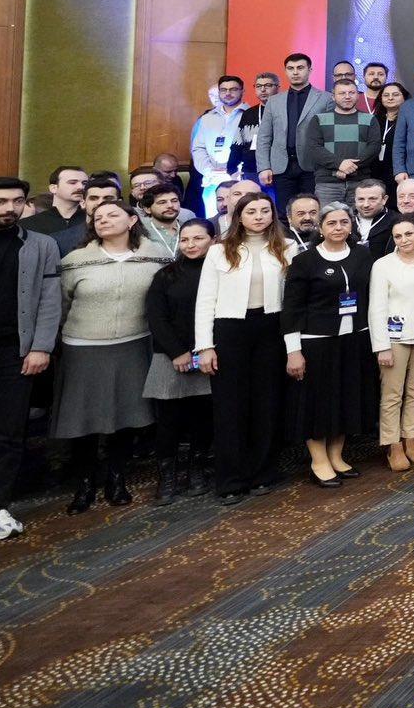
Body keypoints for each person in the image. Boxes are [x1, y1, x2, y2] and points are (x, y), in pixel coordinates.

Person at [52, 199, 171, 512]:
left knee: (126, 416)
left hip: (134, 345)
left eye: (112, 215)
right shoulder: (76, 260)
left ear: (131, 221)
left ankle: (117, 478)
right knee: (83, 419)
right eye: (97, 217)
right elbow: (61, 304)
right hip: (83, 348)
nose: (103, 220)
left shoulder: (156, 256)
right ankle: (84, 483)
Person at [0, 178, 61, 540]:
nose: (10, 208)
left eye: (17, 201)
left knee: (7, 433)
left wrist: (41, 347)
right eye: (1, 201)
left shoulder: (42, 245)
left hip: (15, 354)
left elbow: (50, 300)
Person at [196, 190, 295, 502]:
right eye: (251, 211)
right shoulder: (219, 251)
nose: (259, 217)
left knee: (267, 403)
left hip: (272, 328)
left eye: (265, 211)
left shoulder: (287, 247)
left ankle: (263, 473)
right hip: (230, 330)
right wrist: (205, 346)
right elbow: (205, 300)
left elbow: (292, 299)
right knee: (230, 406)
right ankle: (231, 480)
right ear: (238, 216)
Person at [280, 202, 376, 486]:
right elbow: (292, 309)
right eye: (331, 223)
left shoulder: (362, 254)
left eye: (344, 222)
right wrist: (293, 351)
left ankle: (336, 456)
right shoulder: (305, 261)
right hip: (316, 342)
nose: (338, 228)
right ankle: (318, 460)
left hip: (354, 338)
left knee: (346, 398)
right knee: (317, 403)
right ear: (320, 228)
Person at [143, 220, 216, 502]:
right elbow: (156, 317)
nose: (191, 245)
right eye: (185, 240)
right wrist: (177, 352)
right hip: (171, 357)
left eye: (198, 238)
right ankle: (167, 476)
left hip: (209, 355)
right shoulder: (166, 275)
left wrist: (205, 349)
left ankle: (197, 469)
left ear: (212, 240)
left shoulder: (220, 272)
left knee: (203, 418)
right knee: (168, 420)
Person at [369, 214, 414, 470]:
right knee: (392, 394)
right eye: (398, 236)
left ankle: (411, 441)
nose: (404, 240)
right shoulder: (383, 265)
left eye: (408, 234)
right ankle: (393, 445)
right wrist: (382, 346)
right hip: (394, 337)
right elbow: (376, 307)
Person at [254, 53, 333, 209]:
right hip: (281, 166)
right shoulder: (274, 101)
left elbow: (330, 136)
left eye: (300, 68)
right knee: (283, 213)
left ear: (310, 70)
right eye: (290, 68)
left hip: (313, 167)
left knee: (312, 211)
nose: (295, 72)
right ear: (285, 71)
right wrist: (263, 167)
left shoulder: (326, 98)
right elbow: (264, 137)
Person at [300, 76, 380, 207]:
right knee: (327, 218)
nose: (347, 97)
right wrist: (340, 164)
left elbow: (374, 148)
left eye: (351, 93)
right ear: (333, 97)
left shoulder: (370, 119)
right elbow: (314, 148)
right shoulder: (318, 119)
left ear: (358, 96)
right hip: (327, 184)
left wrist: (348, 168)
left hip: (360, 184)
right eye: (342, 93)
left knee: (360, 219)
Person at [191, 78, 248, 217]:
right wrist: (209, 170)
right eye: (223, 90)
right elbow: (198, 149)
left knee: (241, 220)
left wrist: (236, 170)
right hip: (212, 181)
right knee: (214, 223)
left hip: (240, 180)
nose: (228, 93)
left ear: (242, 91)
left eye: (233, 89)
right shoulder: (206, 118)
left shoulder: (251, 115)